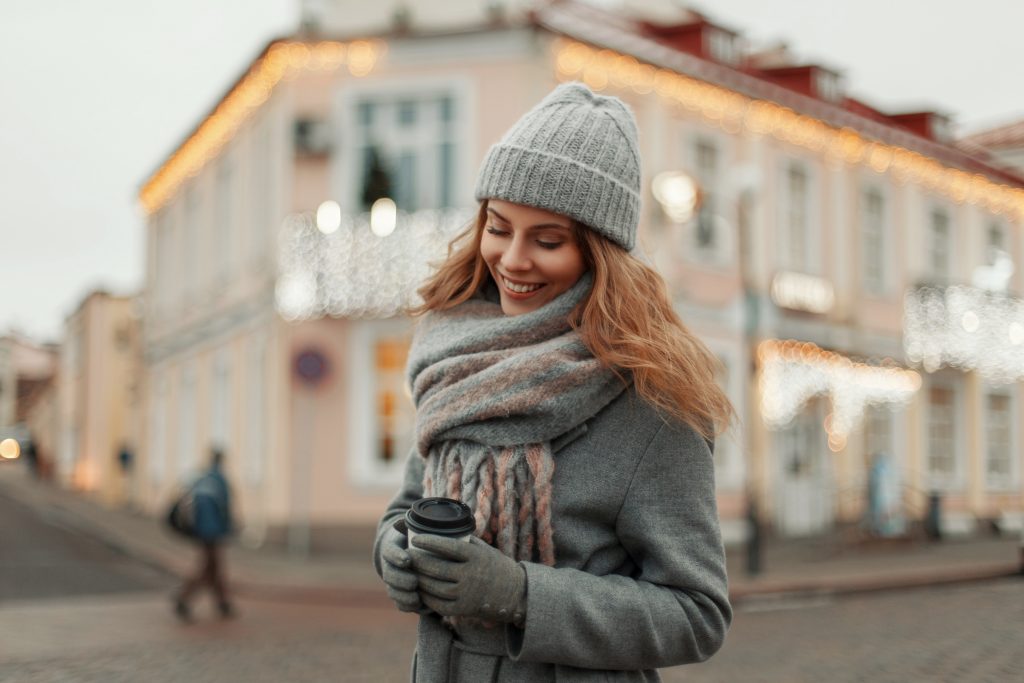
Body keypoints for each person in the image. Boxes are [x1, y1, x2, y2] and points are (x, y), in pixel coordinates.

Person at [372, 82, 734, 681]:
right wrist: (394, 552)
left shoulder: (652, 404)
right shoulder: (453, 361)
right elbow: (408, 508)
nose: (513, 259)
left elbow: (696, 614)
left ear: (599, 255)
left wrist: (519, 594)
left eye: (547, 240)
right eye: (498, 226)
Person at [173, 446, 235, 621]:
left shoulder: (203, 477)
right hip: (212, 532)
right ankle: (183, 598)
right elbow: (224, 508)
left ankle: (224, 604)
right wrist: (227, 530)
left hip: (200, 531)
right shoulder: (219, 480)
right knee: (209, 568)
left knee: (214, 567)